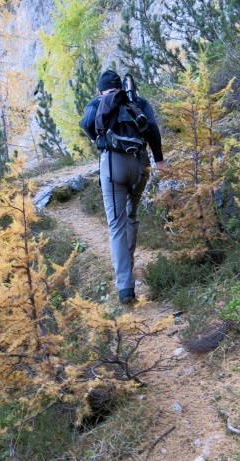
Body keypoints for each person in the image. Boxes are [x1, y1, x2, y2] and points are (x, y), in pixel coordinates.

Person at [80, 69, 168, 304]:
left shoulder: (97, 102)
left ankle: (125, 288)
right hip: (140, 163)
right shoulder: (137, 100)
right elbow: (152, 128)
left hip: (113, 164)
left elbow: (87, 124)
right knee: (131, 216)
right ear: (121, 86)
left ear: (101, 90)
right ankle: (127, 264)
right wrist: (159, 159)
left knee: (116, 226)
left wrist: (98, 136)